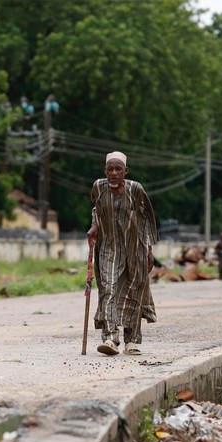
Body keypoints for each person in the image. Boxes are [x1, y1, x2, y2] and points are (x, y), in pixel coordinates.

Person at [87, 151, 158, 356]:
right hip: (109, 247)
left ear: (126, 171)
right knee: (108, 289)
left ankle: (132, 340)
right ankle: (110, 338)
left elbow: (145, 220)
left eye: (118, 169)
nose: (114, 173)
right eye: (110, 169)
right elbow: (97, 210)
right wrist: (94, 226)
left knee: (134, 291)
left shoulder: (135, 190)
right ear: (105, 171)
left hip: (135, 248)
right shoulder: (98, 187)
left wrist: (149, 251)